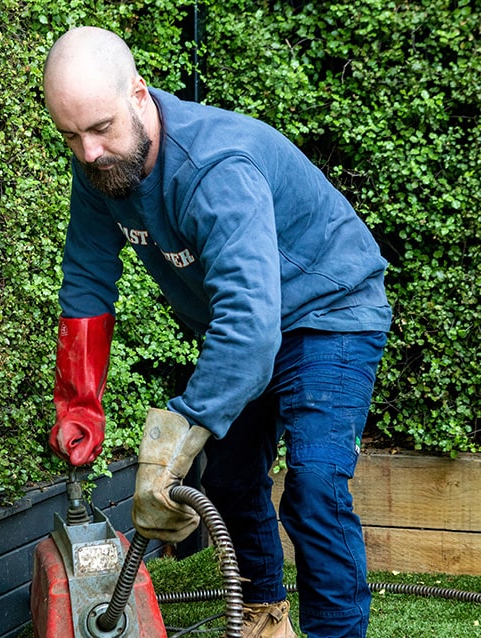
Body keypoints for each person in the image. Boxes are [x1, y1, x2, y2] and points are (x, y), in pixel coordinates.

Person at [43, 26, 391, 638]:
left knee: (312, 485)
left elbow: (251, 333)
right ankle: (261, 616)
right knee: (228, 477)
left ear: (139, 95)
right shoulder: (102, 172)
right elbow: (87, 282)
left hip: (330, 311)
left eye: (100, 128)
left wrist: (177, 434)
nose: (89, 151)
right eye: (71, 136)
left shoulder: (215, 169)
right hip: (246, 325)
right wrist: (80, 404)